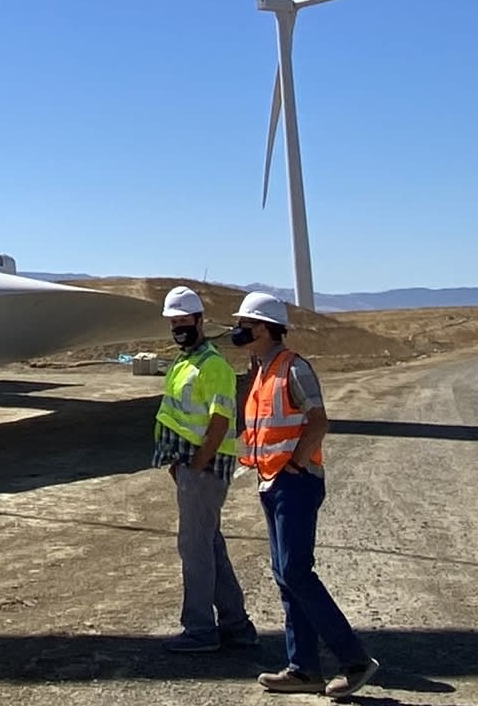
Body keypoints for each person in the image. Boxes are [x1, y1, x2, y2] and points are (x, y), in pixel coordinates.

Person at [230, 291, 381, 699]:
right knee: (285, 576)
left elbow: (318, 421)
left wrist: (294, 465)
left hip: (294, 482)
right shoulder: (261, 371)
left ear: (263, 328)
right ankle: (303, 670)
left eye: (245, 324)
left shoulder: (294, 368)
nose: (238, 330)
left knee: (296, 572)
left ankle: (354, 660)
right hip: (271, 481)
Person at [153, 285, 258, 653]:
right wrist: (179, 463)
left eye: (184, 321)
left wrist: (197, 463)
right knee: (210, 546)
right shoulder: (186, 364)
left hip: (206, 468)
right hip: (191, 467)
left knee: (194, 549)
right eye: (174, 322)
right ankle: (236, 625)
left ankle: (199, 629)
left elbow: (220, 419)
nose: (179, 328)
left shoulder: (213, 366)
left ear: (200, 321)